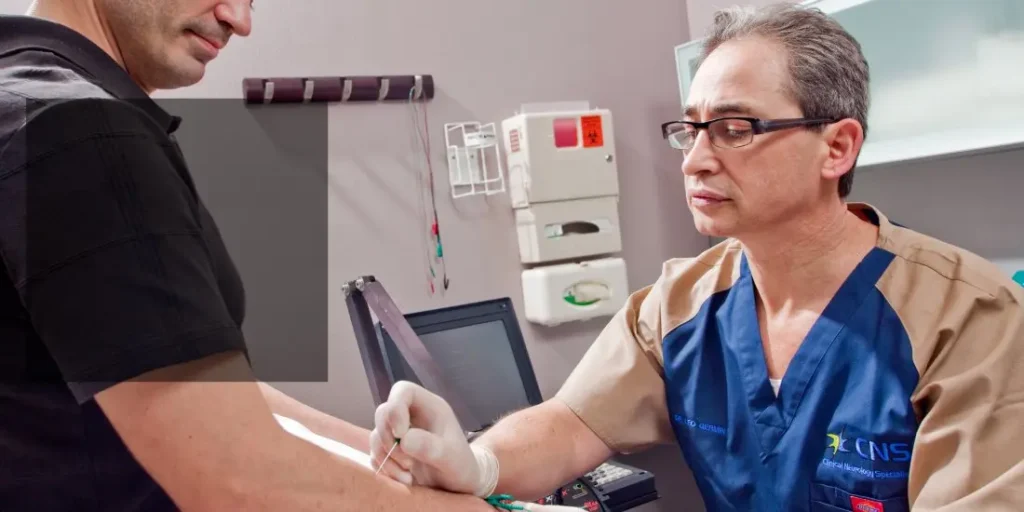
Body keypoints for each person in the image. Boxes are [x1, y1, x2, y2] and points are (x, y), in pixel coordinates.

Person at [370, 3, 1024, 511]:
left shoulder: (970, 319)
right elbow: (572, 422)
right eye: (692, 129)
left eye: (736, 129)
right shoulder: (680, 306)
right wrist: (475, 463)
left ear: (837, 148)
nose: (696, 159)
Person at [0, 1, 512, 511]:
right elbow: (242, 483)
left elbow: (192, 391)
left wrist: (381, 459)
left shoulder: (21, 100)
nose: (239, 21)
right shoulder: (81, 131)